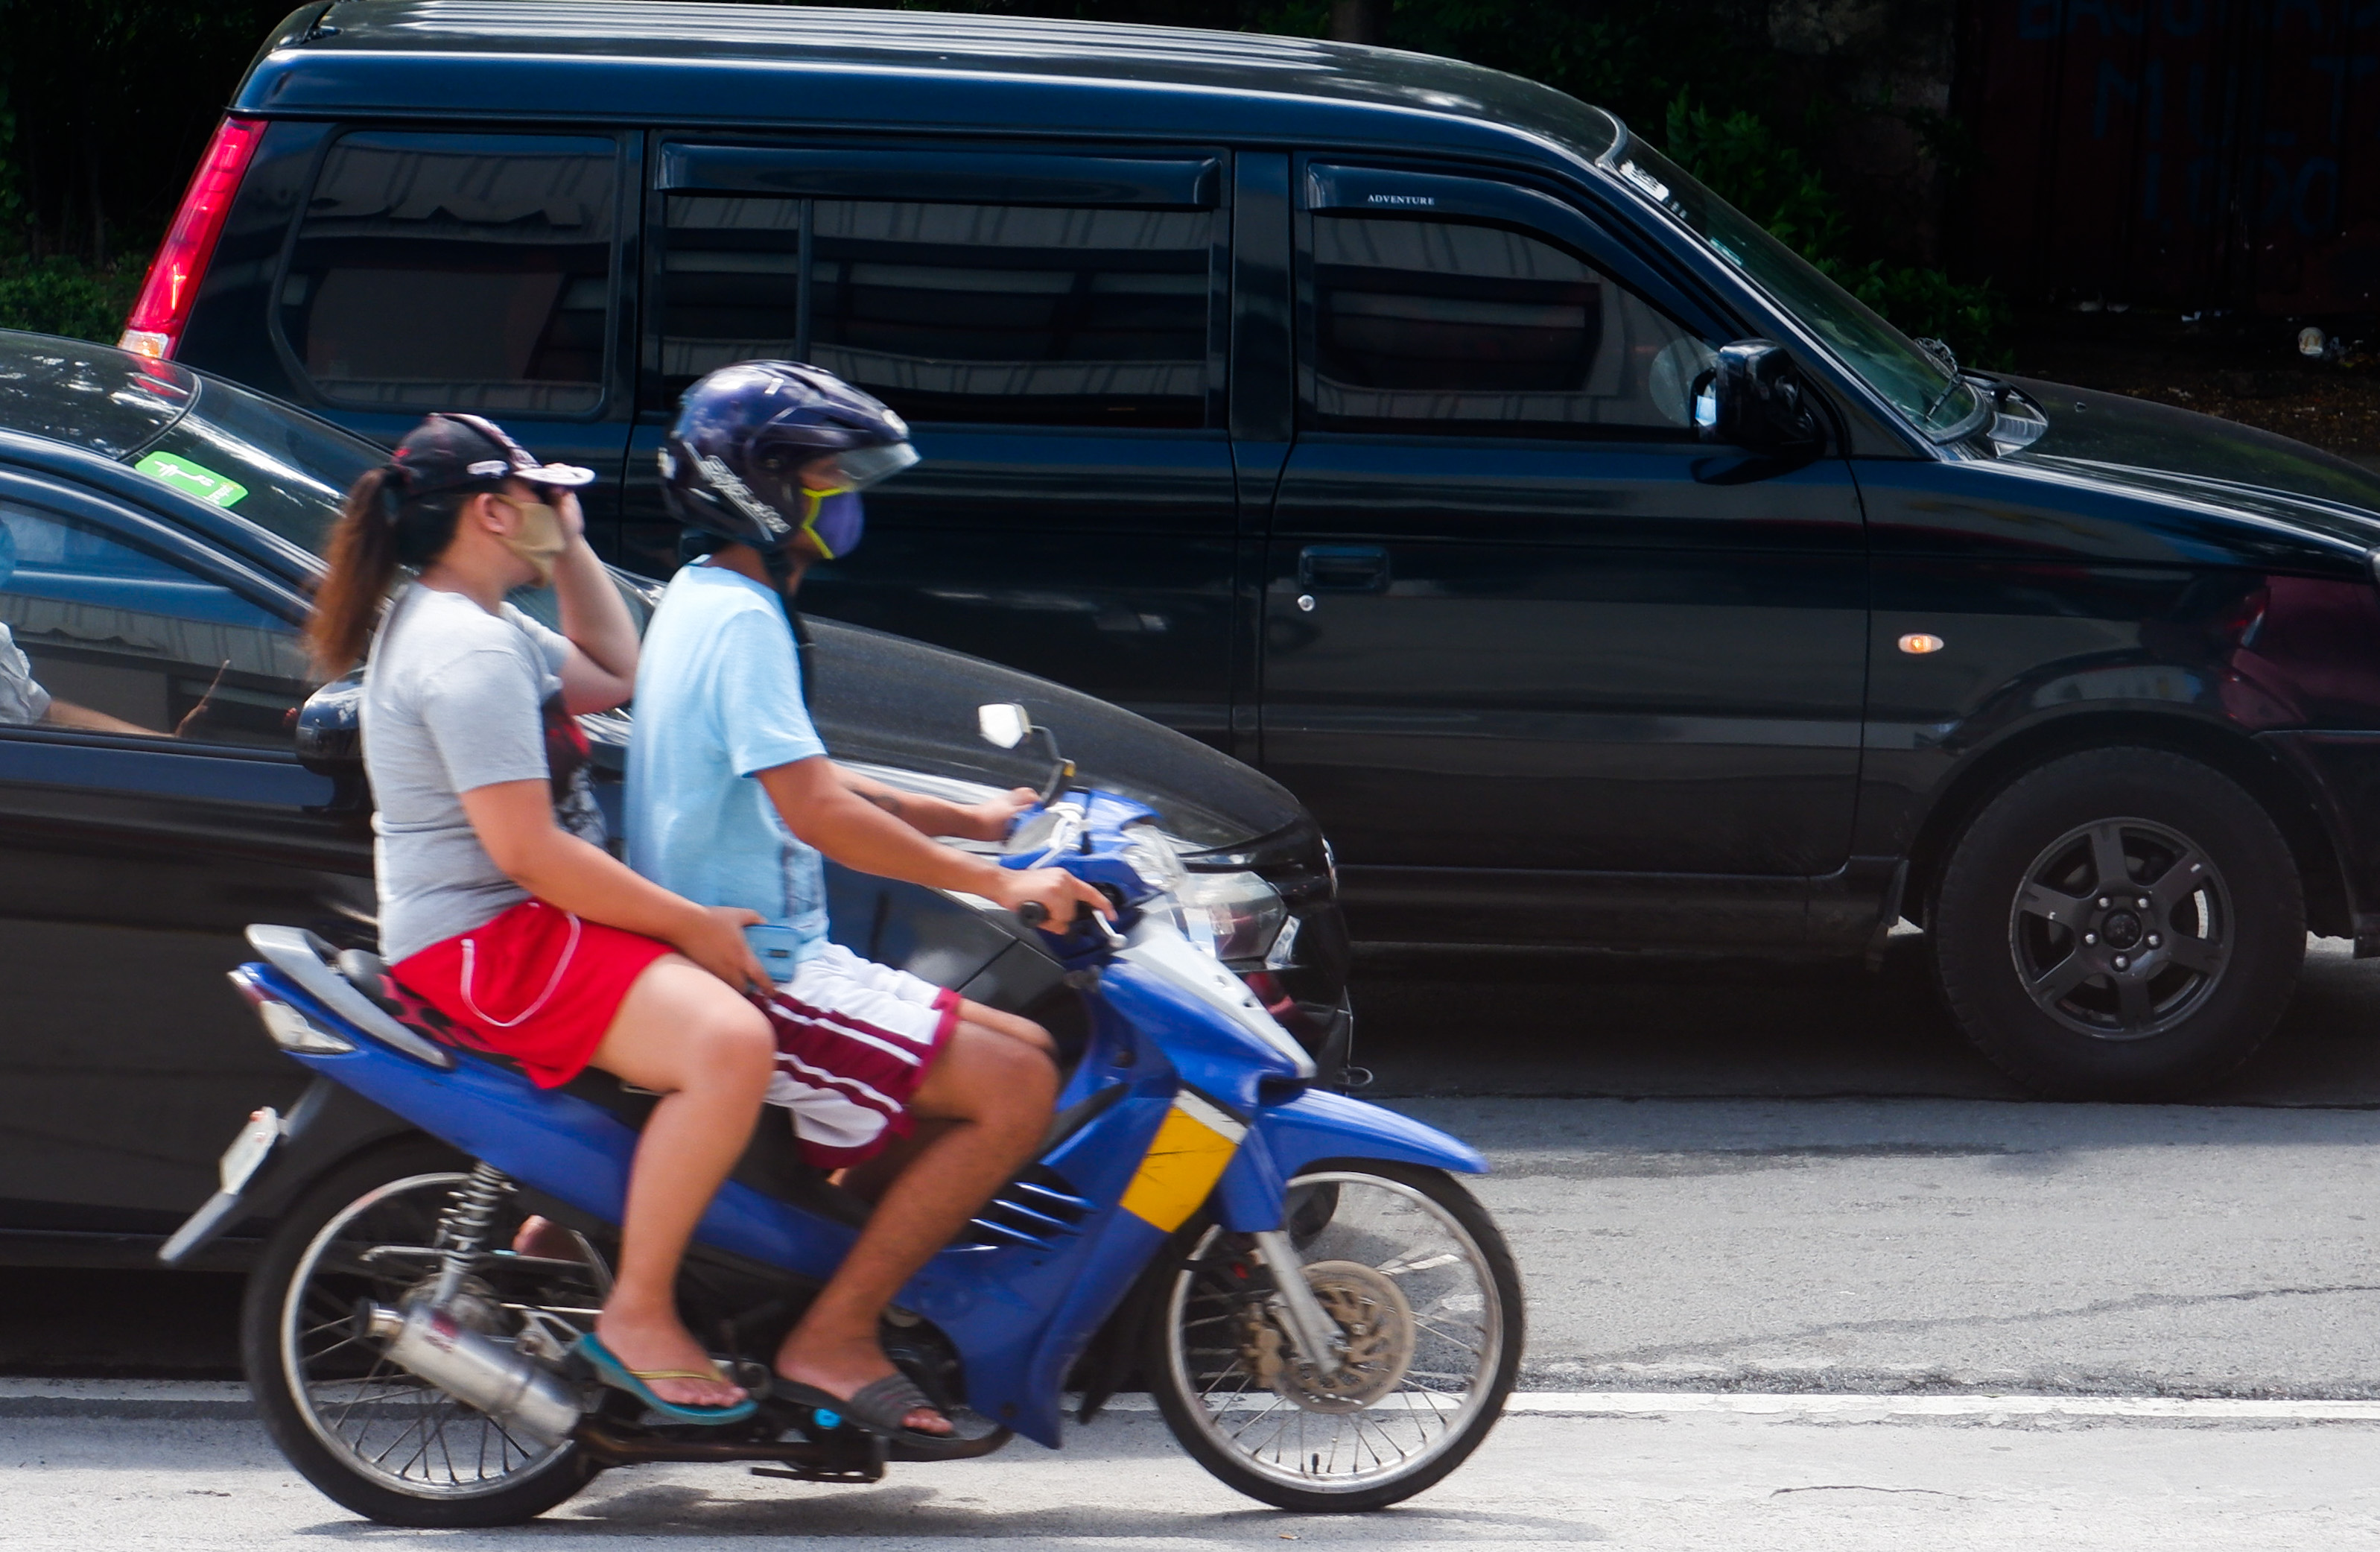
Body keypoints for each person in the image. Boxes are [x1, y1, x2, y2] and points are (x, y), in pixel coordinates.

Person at [622, 361, 1111, 1444]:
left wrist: (972, 818)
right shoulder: (743, 618)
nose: (844, 496)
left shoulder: (708, 600)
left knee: (1025, 1048)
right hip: (763, 972)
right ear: (757, 486)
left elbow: (812, 775)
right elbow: (818, 814)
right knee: (1016, 1091)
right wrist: (1001, 885)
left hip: (778, 955)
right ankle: (833, 1336)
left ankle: (849, 1285)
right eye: (824, 474)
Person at [307, 412, 777, 1425]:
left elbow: (619, 669)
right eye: (541, 494)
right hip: (489, 943)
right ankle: (641, 1314)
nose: (561, 507)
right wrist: (690, 922)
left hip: (523, 924)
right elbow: (529, 852)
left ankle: (562, 1245)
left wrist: (568, 546)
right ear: (488, 510)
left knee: (722, 1021)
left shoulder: (474, 618)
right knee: (731, 1046)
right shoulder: (462, 649)